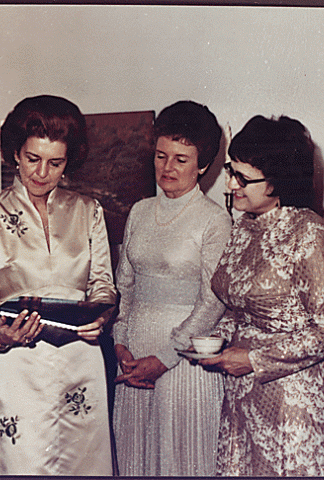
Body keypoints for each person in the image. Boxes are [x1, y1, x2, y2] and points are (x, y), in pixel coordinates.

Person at [0, 95, 117, 475]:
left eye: (56, 162)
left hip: (80, 360)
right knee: (22, 461)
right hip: (19, 363)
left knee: (82, 462)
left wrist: (101, 317)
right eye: (33, 159)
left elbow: (103, 284)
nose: (42, 172)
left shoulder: (88, 211)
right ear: (15, 153)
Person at [112, 100, 232, 476]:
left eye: (181, 159)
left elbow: (212, 302)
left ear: (203, 165)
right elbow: (125, 286)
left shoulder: (215, 220)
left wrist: (165, 357)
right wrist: (120, 339)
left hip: (184, 359)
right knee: (135, 458)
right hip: (133, 356)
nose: (167, 167)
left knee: (182, 461)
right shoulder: (140, 211)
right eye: (161, 155)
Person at [200, 115, 324, 476]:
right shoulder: (244, 226)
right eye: (230, 171)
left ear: (278, 181)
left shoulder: (309, 233)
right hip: (241, 393)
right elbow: (239, 307)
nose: (229, 184)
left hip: (289, 398)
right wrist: (216, 342)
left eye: (242, 178)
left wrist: (255, 359)